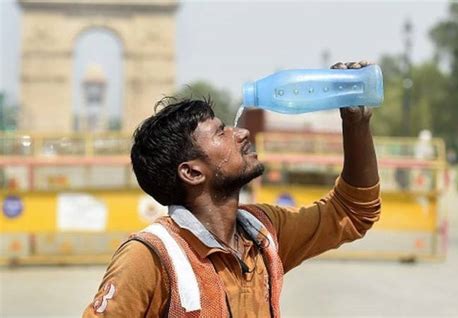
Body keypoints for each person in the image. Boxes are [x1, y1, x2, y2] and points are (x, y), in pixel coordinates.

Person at [83, 61, 381, 317]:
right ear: (191, 172)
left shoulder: (264, 233)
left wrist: (356, 124)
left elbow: (352, 211)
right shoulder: (150, 258)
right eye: (220, 132)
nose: (242, 133)